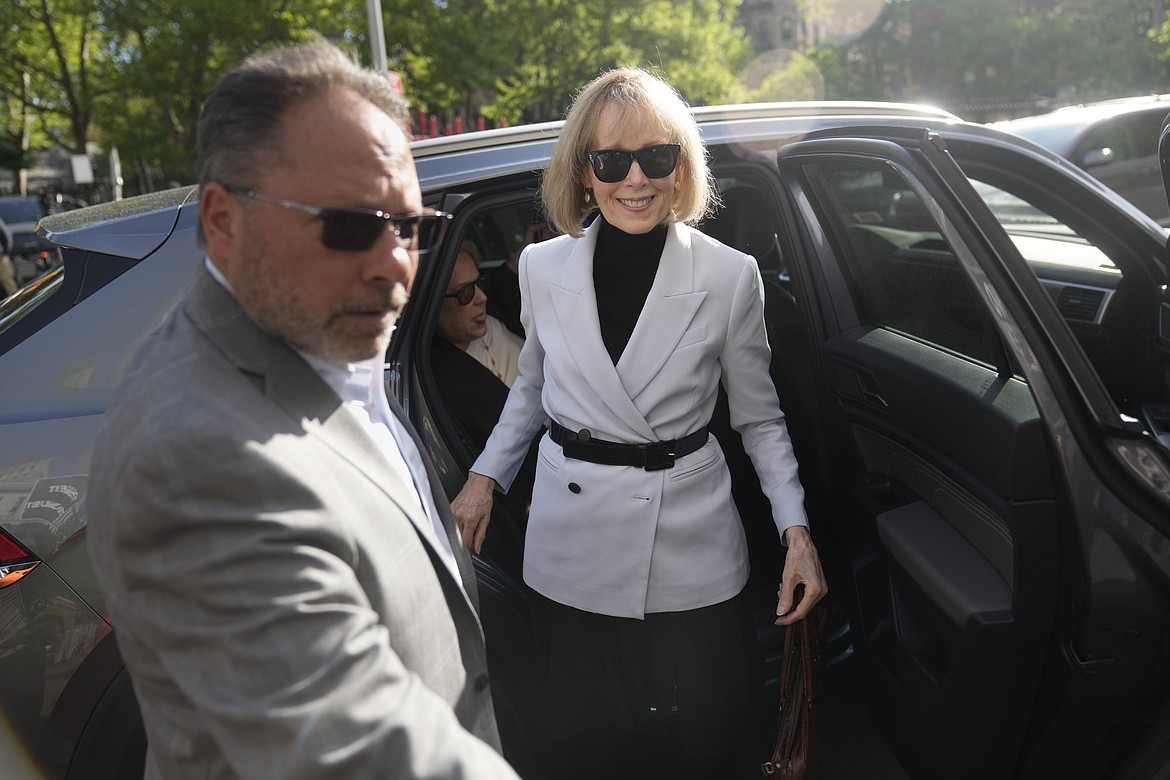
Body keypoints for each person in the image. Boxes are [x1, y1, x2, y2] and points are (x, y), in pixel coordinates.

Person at [86, 42, 521, 780]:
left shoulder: (322, 334)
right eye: (350, 224)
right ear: (222, 219)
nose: (395, 263)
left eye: (413, 226)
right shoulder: (197, 458)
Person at [452, 67, 828, 778]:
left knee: (712, 734)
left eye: (657, 156)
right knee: (594, 743)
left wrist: (796, 532)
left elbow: (760, 421)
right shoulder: (540, 266)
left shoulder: (728, 275)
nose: (636, 178)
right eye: (611, 160)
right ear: (584, 174)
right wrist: (483, 480)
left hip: (692, 536)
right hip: (573, 542)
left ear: (680, 164)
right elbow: (531, 389)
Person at [437, 240, 524, 387]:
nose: (482, 297)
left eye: (479, 283)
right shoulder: (438, 377)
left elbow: (501, 287)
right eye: (465, 292)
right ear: (435, 305)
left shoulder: (491, 323)